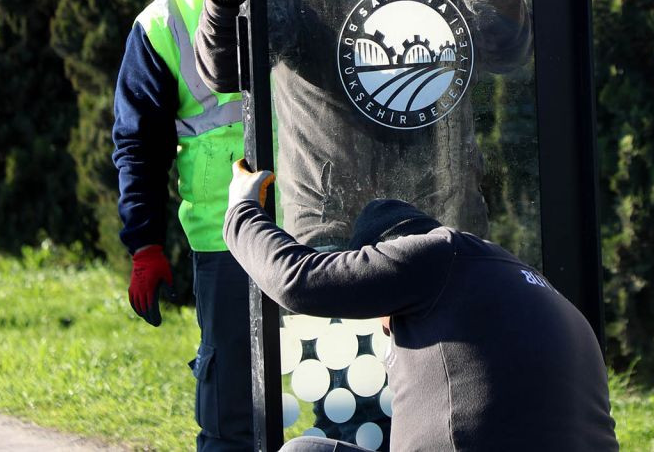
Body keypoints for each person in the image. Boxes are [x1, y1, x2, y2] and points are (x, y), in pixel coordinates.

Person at [195, 0, 531, 249]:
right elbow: (229, 75)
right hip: (332, 229)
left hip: (444, 222)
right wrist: (220, 3)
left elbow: (508, 55)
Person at [223, 163, 619, 451]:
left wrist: (240, 212)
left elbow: (297, 280)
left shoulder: (434, 255)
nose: (382, 327)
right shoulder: (528, 282)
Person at [112, 0, 261, 451]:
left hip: (315, 220)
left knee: (338, 386)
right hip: (222, 236)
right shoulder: (156, 26)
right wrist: (144, 244)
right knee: (228, 413)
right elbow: (137, 146)